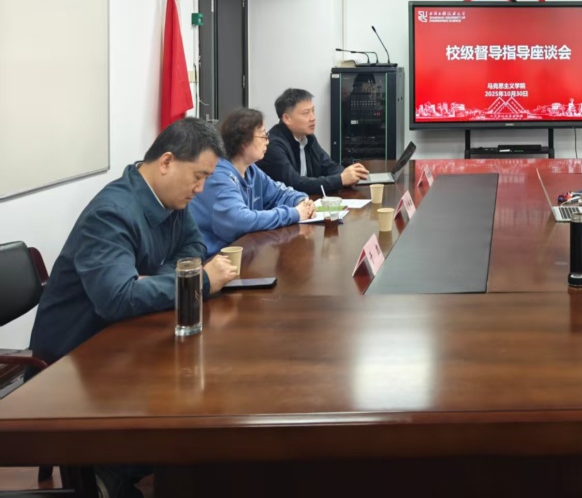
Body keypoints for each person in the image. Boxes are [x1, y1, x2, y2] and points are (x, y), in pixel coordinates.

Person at [28, 119, 239, 498]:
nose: (201, 189)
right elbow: (118, 297)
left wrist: (151, 280)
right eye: (199, 176)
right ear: (167, 162)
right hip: (75, 359)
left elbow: (193, 249)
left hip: (128, 335)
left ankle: (144, 465)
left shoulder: (172, 201)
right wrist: (198, 282)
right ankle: (111, 472)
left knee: (208, 383)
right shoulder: (111, 213)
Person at [190, 108, 317, 255]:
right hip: (212, 260)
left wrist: (301, 201)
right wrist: (294, 213)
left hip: (242, 253)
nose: (267, 141)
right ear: (243, 142)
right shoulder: (217, 175)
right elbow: (240, 220)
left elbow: (279, 193)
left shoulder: (251, 170)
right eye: (263, 136)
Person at [258, 88, 369, 195]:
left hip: (308, 201)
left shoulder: (308, 137)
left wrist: (349, 174)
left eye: (313, 111)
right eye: (306, 113)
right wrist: (340, 179)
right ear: (287, 119)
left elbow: (328, 166)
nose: (313, 118)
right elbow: (294, 184)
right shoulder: (273, 145)